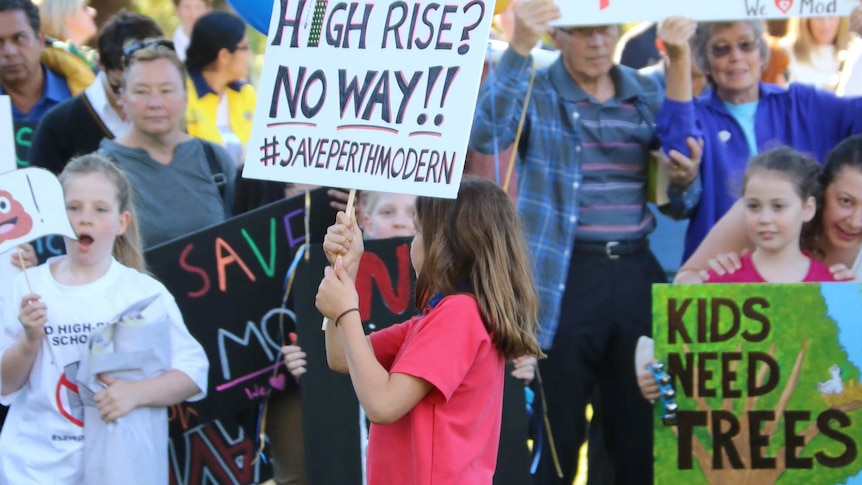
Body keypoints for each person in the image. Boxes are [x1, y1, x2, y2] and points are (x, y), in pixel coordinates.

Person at [468, 3, 702, 483]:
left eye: (605, 30)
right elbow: (486, 134)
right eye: (583, 32)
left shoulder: (646, 90)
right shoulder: (538, 86)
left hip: (636, 269)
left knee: (640, 428)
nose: (598, 42)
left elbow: (683, 201)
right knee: (557, 429)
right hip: (561, 278)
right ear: (557, 36)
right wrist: (518, 47)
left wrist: (685, 177)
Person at [315, 176, 542, 483]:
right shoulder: (438, 316)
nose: (411, 241)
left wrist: (346, 309)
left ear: (446, 245)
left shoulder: (460, 315)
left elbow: (382, 405)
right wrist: (347, 273)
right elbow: (341, 356)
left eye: (419, 231)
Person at [0, 153, 209, 483]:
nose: (85, 219)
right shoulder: (29, 287)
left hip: (121, 469)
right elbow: (4, 382)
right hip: (34, 469)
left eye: (100, 209)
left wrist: (137, 393)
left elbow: (193, 373)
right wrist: (29, 339)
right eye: (73, 207)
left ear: (122, 222)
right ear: (56, 213)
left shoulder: (144, 293)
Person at [657, 13, 862, 262]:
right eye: (721, 49)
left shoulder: (801, 104)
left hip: (802, 272)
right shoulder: (697, 115)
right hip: (724, 269)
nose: (736, 56)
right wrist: (679, 58)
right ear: (705, 61)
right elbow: (679, 147)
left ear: (762, 53)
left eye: (746, 45)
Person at [638, 147, 838, 400]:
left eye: (778, 206)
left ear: (808, 209)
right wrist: (656, 383)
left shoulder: (833, 288)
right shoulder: (717, 282)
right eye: (753, 206)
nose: (764, 218)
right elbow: (684, 368)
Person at [98, 38, 234, 249]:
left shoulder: (215, 160)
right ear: (122, 98)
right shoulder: (101, 171)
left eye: (166, 90)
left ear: (185, 97)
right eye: (141, 91)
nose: (155, 103)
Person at [675, 134, 862, 284]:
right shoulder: (762, 212)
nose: (855, 221)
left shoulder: (840, 285)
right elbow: (682, 287)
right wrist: (709, 280)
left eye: (778, 206)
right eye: (845, 201)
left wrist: (853, 304)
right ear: (822, 191)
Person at [29, 11, 164, 175]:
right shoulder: (58, 126)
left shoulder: (167, 111)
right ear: (101, 64)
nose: (129, 100)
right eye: (119, 87)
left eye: (144, 90)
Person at [0, 0, 94, 134]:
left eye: (19, 38)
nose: (9, 51)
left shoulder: (80, 96)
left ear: (40, 40)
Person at [184, 10, 255, 165]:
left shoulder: (247, 94)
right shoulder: (182, 95)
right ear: (224, 56)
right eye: (245, 47)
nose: (250, 53)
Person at [781, 16, 851, 91]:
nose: (825, 25)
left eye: (831, 16)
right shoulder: (784, 54)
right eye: (818, 16)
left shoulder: (854, 54)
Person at [36, 0, 96, 68]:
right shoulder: (54, 67)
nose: (93, 12)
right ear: (63, 14)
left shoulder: (88, 59)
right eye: (84, 7)